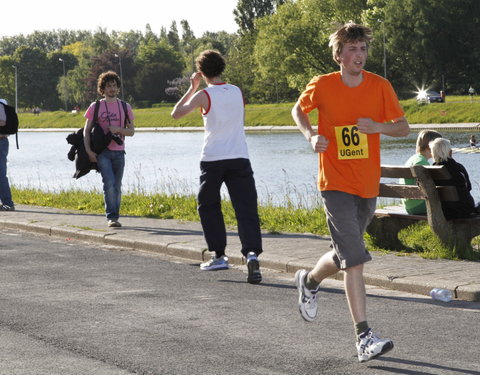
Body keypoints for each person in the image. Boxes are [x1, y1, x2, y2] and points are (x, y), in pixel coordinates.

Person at [290, 22, 409, 362]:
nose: (359, 55)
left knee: (346, 253)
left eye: (363, 49)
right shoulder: (323, 85)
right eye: (353, 49)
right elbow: (298, 109)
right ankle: (364, 337)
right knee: (354, 259)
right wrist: (311, 136)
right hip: (335, 183)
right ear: (339, 54)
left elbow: (403, 127)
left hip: (366, 185)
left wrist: (379, 128)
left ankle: (309, 281)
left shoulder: (379, 86)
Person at [171, 49, 263, 284]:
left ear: (201, 72)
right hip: (240, 157)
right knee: (246, 209)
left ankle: (219, 255)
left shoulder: (204, 95)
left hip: (212, 159)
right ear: (222, 67)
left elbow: (176, 114)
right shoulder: (236, 91)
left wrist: (192, 87)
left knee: (209, 206)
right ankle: (252, 254)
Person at [83, 71, 135, 227]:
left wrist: (118, 129)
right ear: (103, 89)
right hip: (102, 153)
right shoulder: (96, 106)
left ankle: (116, 216)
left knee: (117, 186)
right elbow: (86, 131)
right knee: (109, 183)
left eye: (114, 85)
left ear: (117, 87)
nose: (112, 89)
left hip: (119, 152)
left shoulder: (125, 107)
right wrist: (89, 151)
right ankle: (111, 217)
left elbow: (131, 131)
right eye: (108, 86)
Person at [430, 137, 476, 219]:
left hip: (442, 210)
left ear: (432, 154)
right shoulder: (458, 168)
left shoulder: (430, 171)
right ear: (450, 153)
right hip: (463, 209)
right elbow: (468, 187)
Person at [401, 130, 442, 214]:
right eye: (439, 146)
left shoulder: (413, 158)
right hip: (420, 206)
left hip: (409, 205)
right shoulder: (421, 162)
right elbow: (430, 188)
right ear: (430, 146)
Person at [0, 98, 15, 211]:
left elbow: (2, 122)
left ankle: (8, 203)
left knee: (1, 174)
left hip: (1, 142)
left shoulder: (1, 104)